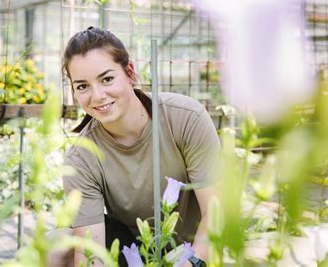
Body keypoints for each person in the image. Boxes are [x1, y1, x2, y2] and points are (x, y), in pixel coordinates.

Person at [62, 27, 221, 266]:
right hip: (134, 254)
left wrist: (192, 262)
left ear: (130, 73)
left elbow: (218, 211)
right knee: (57, 247)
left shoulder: (185, 117)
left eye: (107, 79)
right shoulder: (81, 157)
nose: (97, 96)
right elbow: (90, 253)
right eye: (82, 86)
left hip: (195, 251)